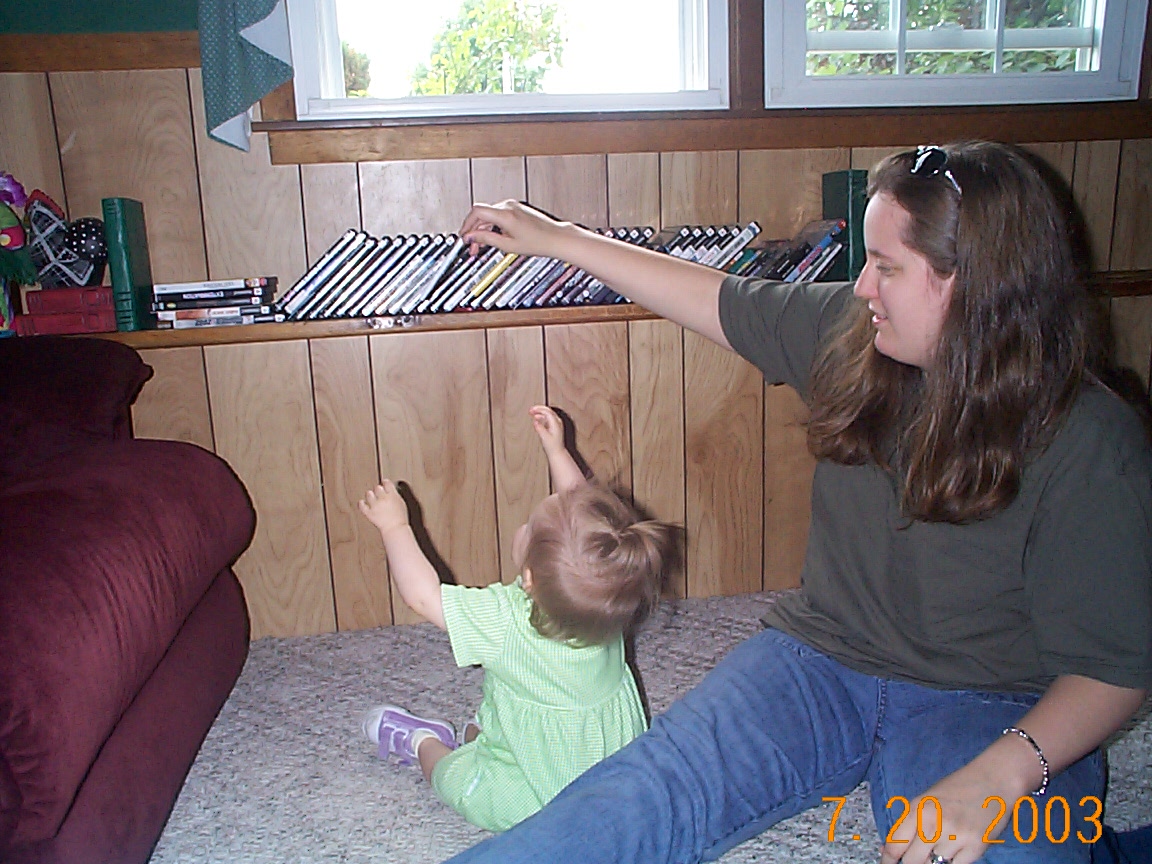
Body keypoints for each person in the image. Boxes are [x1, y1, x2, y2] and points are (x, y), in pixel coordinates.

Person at [447, 141, 1152, 863]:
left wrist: (999, 774)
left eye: (886, 267)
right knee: (640, 796)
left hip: (994, 701)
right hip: (820, 661)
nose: (862, 287)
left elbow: (1116, 671)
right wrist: (557, 238)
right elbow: (716, 299)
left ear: (976, 283)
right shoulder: (853, 337)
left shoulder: (1091, 441)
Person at [357, 404, 678, 832]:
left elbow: (423, 596)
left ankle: (425, 742)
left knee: (461, 785)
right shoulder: (608, 596)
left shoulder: (506, 620)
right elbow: (584, 518)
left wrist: (395, 527)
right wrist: (557, 451)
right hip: (610, 770)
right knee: (500, 736)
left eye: (529, 526)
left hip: (541, 789)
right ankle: (484, 737)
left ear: (528, 578)